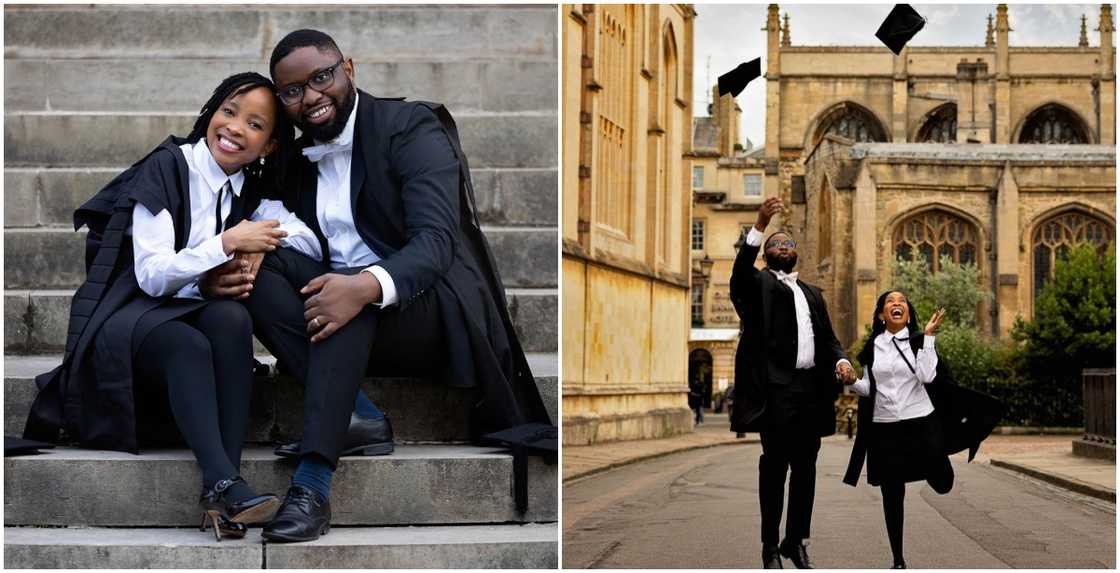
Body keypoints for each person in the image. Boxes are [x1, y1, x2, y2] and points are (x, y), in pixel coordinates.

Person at [200, 29, 552, 543]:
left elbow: (436, 242)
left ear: (349, 68)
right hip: (340, 313)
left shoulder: (410, 127)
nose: (311, 97)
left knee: (346, 294)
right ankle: (358, 416)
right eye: (293, 91)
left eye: (322, 77)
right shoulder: (293, 159)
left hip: (425, 307)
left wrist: (366, 285)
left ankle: (313, 485)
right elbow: (277, 225)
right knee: (258, 270)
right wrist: (253, 243)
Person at [25, 72, 324, 540]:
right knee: (189, 345)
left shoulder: (248, 185)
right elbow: (151, 274)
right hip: (128, 315)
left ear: (267, 146)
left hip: (183, 310)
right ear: (211, 113)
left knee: (232, 316)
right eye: (228, 112)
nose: (234, 128)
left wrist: (263, 246)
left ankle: (223, 489)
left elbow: (308, 239)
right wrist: (227, 244)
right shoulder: (167, 167)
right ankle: (223, 481)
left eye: (254, 124)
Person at [728, 196, 856, 569]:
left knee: (806, 469)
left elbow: (828, 339)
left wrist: (843, 361)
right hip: (776, 390)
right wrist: (759, 225)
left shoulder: (813, 293)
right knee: (774, 467)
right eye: (776, 244)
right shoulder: (758, 285)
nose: (783, 247)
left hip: (811, 391)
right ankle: (769, 546)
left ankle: (795, 540)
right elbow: (739, 275)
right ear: (767, 255)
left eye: (788, 243)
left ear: (796, 252)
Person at [842, 291, 1003, 569]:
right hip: (885, 428)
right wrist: (853, 381)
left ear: (907, 314)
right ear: (881, 315)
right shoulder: (872, 347)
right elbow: (869, 388)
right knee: (892, 493)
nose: (896, 304)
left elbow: (927, 376)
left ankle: (937, 463)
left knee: (943, 484)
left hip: (920, 423)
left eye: (902, 301)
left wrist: (928, 337)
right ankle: (898, 560)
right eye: (890, 302)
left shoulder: (918, 341)